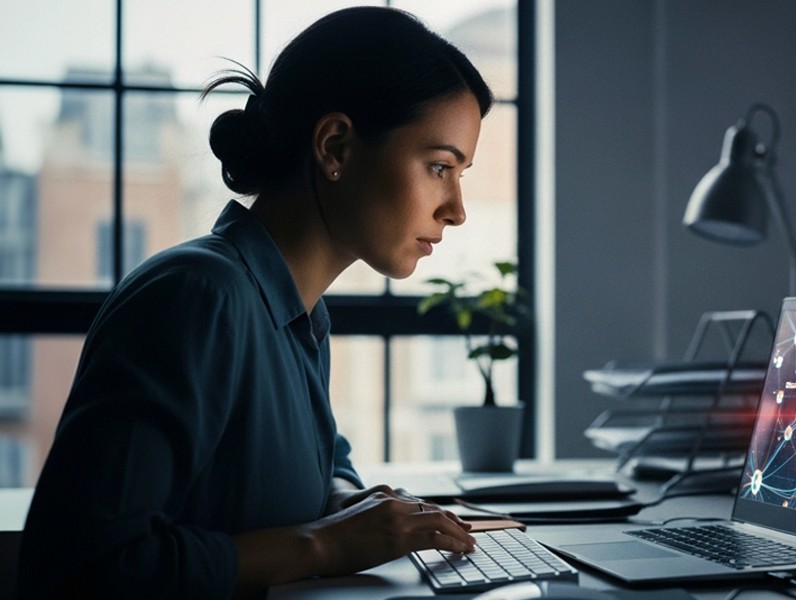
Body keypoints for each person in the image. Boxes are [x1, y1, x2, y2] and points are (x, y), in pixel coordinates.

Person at [20, 7, 492, 598]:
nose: (457, 209)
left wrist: (352, 502)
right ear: (336, 146)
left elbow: (324, 462)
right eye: (439, 167)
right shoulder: (197, 298)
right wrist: (324, 544)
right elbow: (82, 568)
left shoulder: (301, 316)